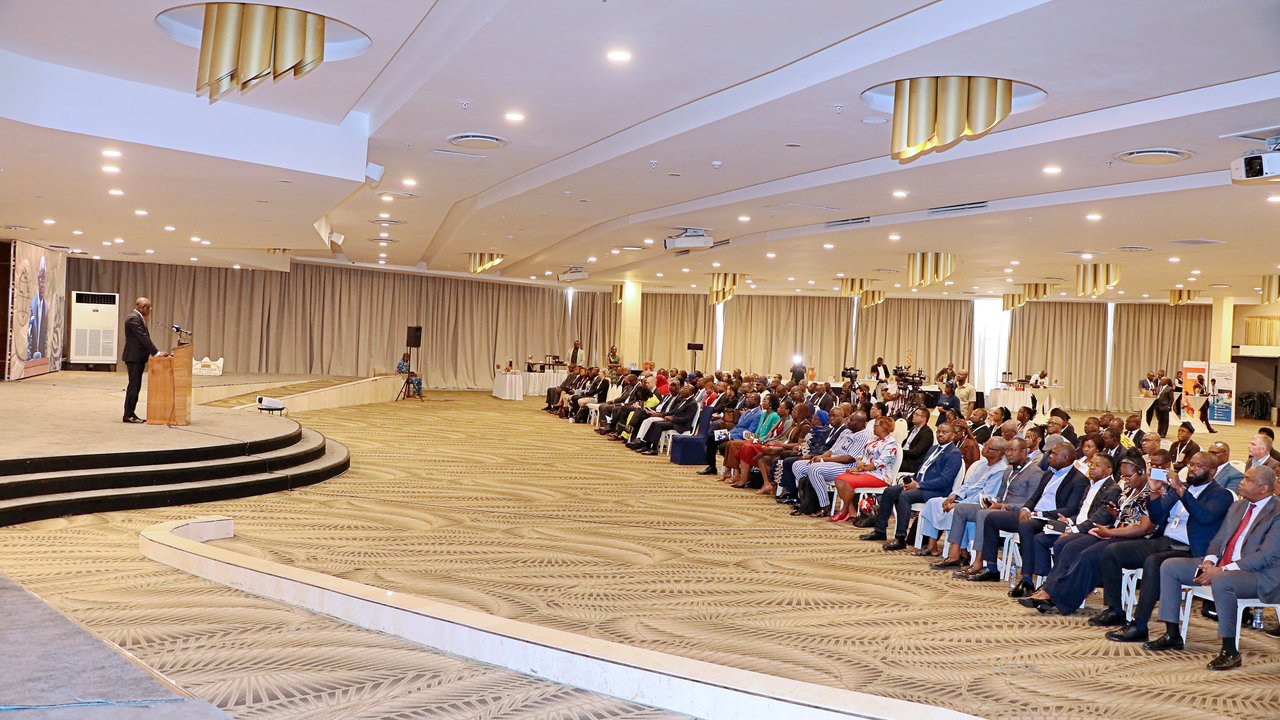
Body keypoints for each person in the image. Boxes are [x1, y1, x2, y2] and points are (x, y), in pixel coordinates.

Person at [1145, 466, 1280, 670]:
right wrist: (1209, 561)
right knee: (1170, 566)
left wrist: (1223, 570)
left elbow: (1266, 556)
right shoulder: (1238, 506)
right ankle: (1172, 634)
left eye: (1248, 479)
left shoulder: (1276, 513)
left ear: (1263, 488)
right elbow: (1219, 539)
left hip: (1257, 575)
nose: (1241, 482)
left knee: (1222, 581)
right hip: (1221, 567)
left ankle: (1230, 650)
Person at [1094, 451, 1233, 638]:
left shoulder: (1221, 495)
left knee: (1154, 562)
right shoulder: (1180, 488)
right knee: (1112, 551)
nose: (1192, 469)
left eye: (1199, 466)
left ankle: (1140, 626)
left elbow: (1204, 517)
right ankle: (1115, 610)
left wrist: (1181, 491)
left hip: (1189, 549)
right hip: (1165, 541)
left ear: (1213, 471)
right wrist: (1153, 492)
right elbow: (1157, 517)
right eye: (1191, 464)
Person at [1019, 456, 1151, 615]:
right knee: (1070, 547)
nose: (1125, 480)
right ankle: (1049, 591)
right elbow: (1123, 518)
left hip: (1124, 537)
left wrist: (1108, 530)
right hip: (1112, 531)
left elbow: (1143, 527)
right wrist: (1115, 514)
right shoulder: (1128, 490)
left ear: (1142, 472)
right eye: (1123, 476)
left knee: (1085, 556)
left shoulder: (1148, 494)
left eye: (1128, 476)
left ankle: (1056, 596)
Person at [862, 422, 963, 550]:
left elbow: (945, 481)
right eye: (939, 431)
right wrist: (911, 482)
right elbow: (922, 469)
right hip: (920, 485)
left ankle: (900, 538)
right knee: (890, 491)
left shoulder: (954, 453)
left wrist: (919, 485)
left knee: (904, 496)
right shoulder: (933, 449)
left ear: (953, 436)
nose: (940, 434)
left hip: (936, 491)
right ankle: (880, 531)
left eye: (945, 432)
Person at [916, 438, 1007, 557]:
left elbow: (986, 496)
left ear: (999, 452)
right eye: (985, 445)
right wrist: (953, 495)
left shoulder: (1000, 470)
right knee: (933, 502)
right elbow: (968, 484)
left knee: (957, 511)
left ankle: (963, 552)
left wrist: (958, 504)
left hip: (976, 504)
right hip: (963, 498)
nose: (984, 448)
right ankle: (931, 546)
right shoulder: (982, 465)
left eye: (988, 447)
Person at [122, 297, 168, 423]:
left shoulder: (136, 317)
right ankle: (128, 415)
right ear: (142, 307)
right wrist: (157, 353)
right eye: (149, 307)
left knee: (135, 386)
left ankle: (130, 413)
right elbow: (143, 338)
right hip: (134, 357)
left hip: (137, 357)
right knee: (134, 386)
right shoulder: (133, 319)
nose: (150, 310)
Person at [26, 256, 48, 360]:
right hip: (31, 354)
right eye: (41, 278)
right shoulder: (32, 303)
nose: (42, 283)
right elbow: (29, 330)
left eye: (44, 279)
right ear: (38, 280)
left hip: (40, 355)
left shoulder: (46, 305)